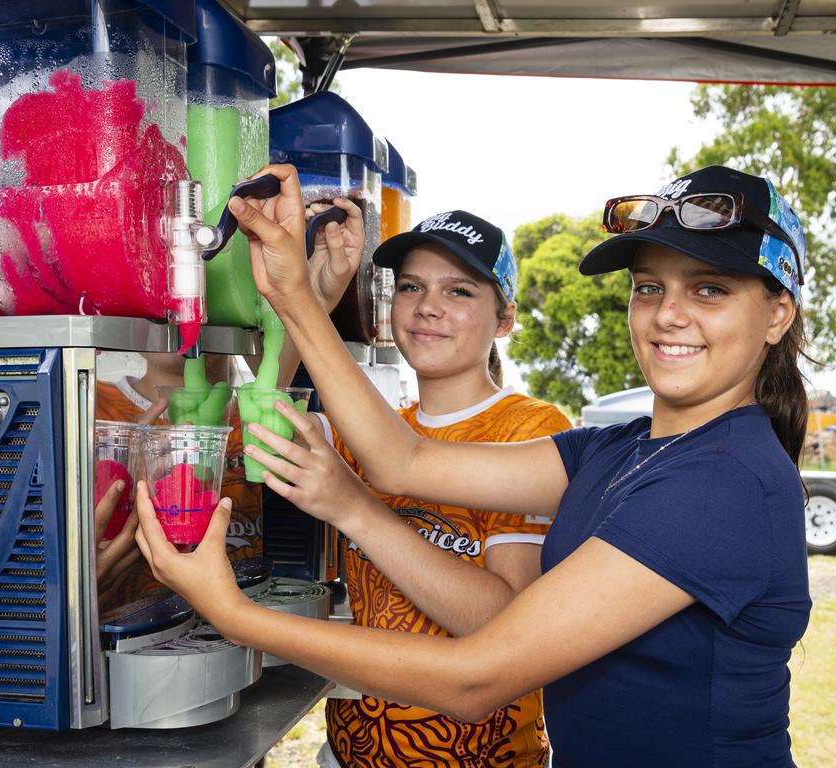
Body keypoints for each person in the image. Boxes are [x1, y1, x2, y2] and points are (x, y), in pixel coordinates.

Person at [133, 164, 812, 767]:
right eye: (648, 288)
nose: (668, 316)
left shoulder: (724, 481)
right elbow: (403, 461)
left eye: (710, 290)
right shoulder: (618, 448)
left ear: (778, 314)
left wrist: (231, 613)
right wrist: (294, 291)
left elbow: (475, 678)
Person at [297, 210, 571, 767]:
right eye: (411, 287)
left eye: (460, 290)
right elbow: (257, 430)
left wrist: (354, 508)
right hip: (350, 754)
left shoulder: (530, 432)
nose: (427, 306)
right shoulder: (372, 430)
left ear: (505, 319)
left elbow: (506, 627)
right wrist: (315, 299)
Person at [93, 197, 363, 611]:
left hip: (238, 626)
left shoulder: (251, 404)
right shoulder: (94, 412)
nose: (186, 292)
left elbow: (291, 345)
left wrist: (317, 295)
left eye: (204, 270)